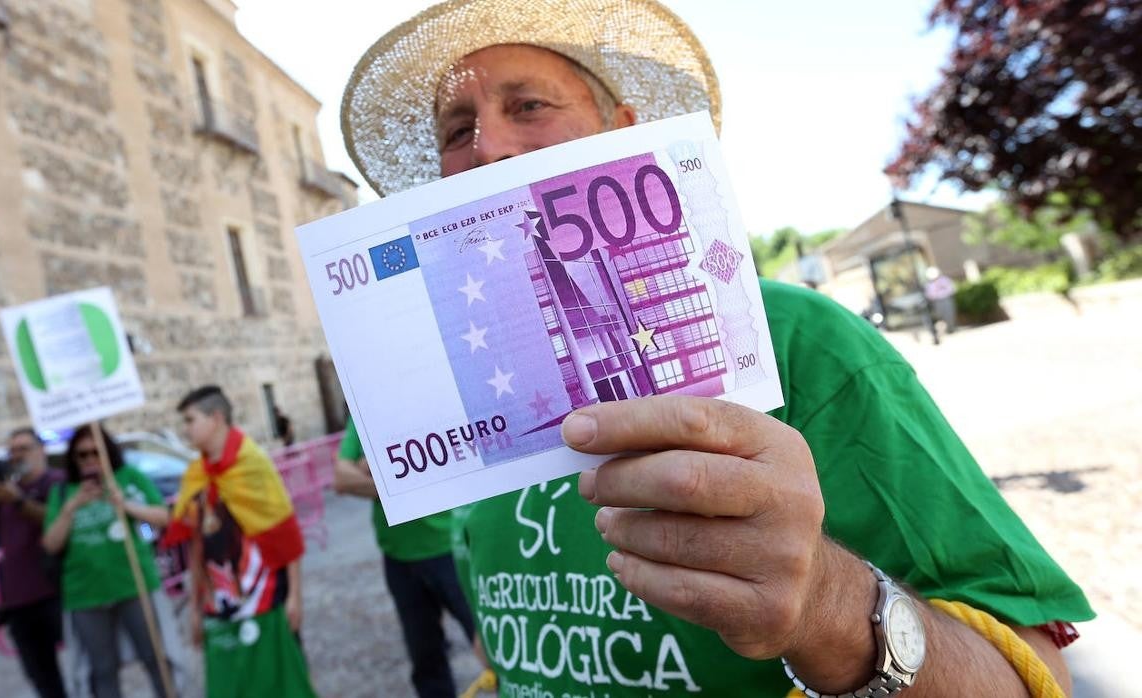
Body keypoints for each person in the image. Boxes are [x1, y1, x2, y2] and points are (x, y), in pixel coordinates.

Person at [339, 1, 1094, 696]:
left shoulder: (803, 341)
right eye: (456, 130)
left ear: (622, 131)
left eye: (528, 105)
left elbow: (1033, 673)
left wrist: (830, 610)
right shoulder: (464, 407)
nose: (490, 148)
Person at [164, 386, 316, 698]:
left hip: (266, 594)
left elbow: (285, 532)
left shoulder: (253, 464)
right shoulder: (196, 475)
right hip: (219, 598)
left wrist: (295, 596)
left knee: (282, 681)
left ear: (216, 418)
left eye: (190, 420)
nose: (185, 430)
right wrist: (194, 606)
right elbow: (195, 542)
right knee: (234, 684)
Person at [335, 416, 477, 698]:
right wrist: (399, 484)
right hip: (398, 558)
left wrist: (372, 469)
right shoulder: (363, 412)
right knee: (425, 661)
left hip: (449, 549)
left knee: (491, 642)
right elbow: (341, 478)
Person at [42, 426, 170, 698]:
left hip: (133, 584)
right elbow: (51, 544)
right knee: (102, 668)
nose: (90, 461)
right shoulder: (64, 491)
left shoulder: (129, 478)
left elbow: (161, 518)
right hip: (86, 594)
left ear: (108, 452)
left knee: (155, 658)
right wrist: (70, 508)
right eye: (82, 455)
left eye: (96, 453)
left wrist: (125, 505)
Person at [0, 427, 67, 698]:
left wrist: (18, 501)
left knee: (83, 667)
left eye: (24, 448)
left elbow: (55, 518)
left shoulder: (56, 482)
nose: (16, 455)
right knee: (43, 679)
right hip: (19, 601)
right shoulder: (3, 492)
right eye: (12, 451)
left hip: (58, 593)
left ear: (42, 450)